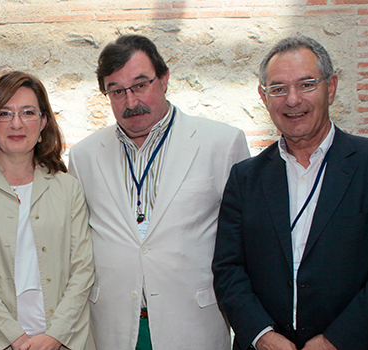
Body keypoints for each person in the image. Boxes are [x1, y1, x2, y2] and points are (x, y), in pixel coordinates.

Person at [212, 36, 368, 350]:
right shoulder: (245, 177)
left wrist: (335, 341)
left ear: (332, 87)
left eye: (307, 84)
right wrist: (262, 337)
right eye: (278, 88)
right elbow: (228, 268)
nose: (292, 100)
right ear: (263, 96)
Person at [68, 34, 251, 350]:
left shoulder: (222, 143)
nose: (130, 102)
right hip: (110, 326)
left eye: (141, 85)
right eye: (117, 91)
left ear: (164, 79)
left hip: (193, 324)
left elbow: (248, 242)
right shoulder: (84, 155)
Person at [0, 72, 96, 350]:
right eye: (4, 113)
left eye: (28, 112)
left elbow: (83, 270)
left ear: (43, 122)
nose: (16, 123)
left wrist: (55, 335)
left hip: (63, 339)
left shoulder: (68, 188)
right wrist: (14, 338)